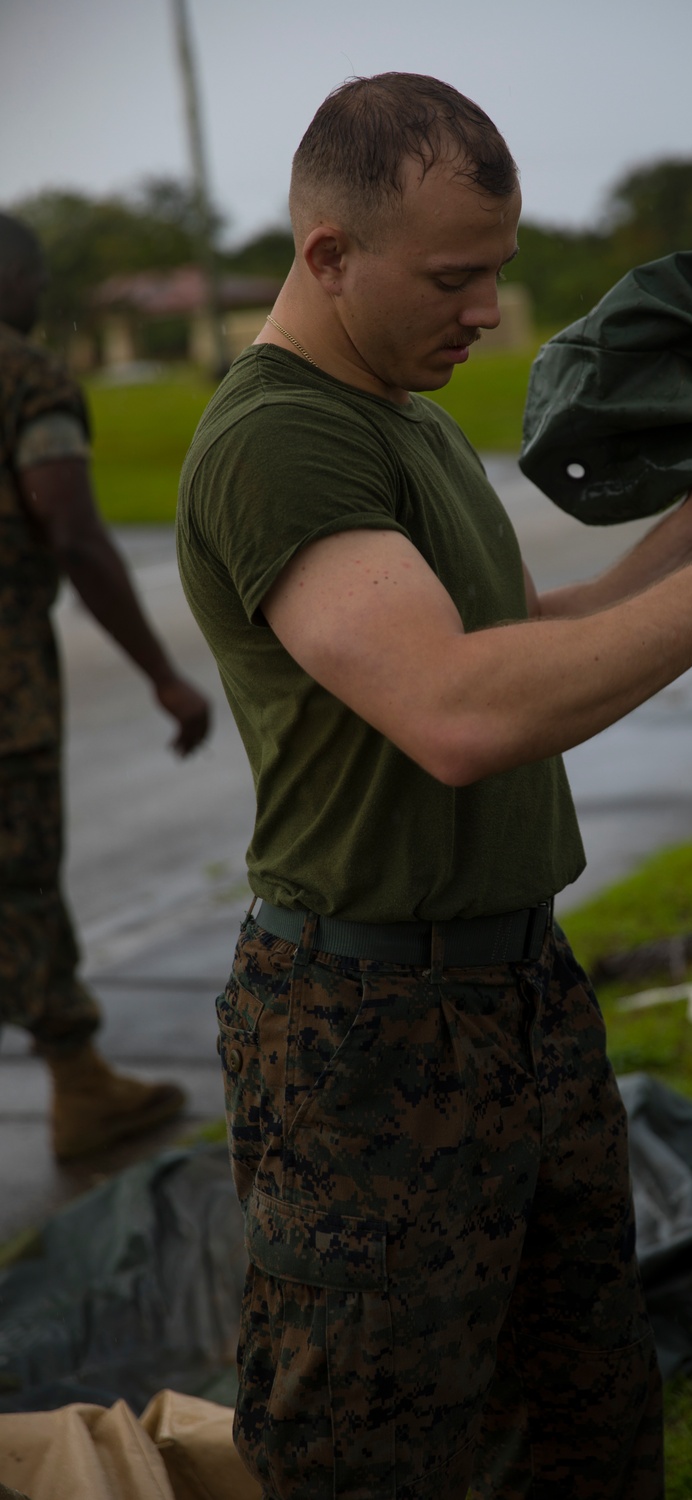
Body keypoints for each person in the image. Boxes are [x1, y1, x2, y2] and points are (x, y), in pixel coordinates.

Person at [176, 74, 692, 1499]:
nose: (488, 309)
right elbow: (449, 711)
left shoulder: (404, 419)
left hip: (514, 997)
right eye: (454, 276)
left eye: (495, 268)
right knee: (370, 1450)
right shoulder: (276, 439)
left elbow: (504, 645)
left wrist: (681, 550)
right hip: (365, 1036)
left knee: (582, 1409)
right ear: (327, 256)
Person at [0, 212, 211, 1161]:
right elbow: (76, 534)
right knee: (22, 879)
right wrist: (164, 676)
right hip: (6, 693)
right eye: (34, 278)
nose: (40, 298)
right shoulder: (27, 377)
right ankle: (80, 1086)